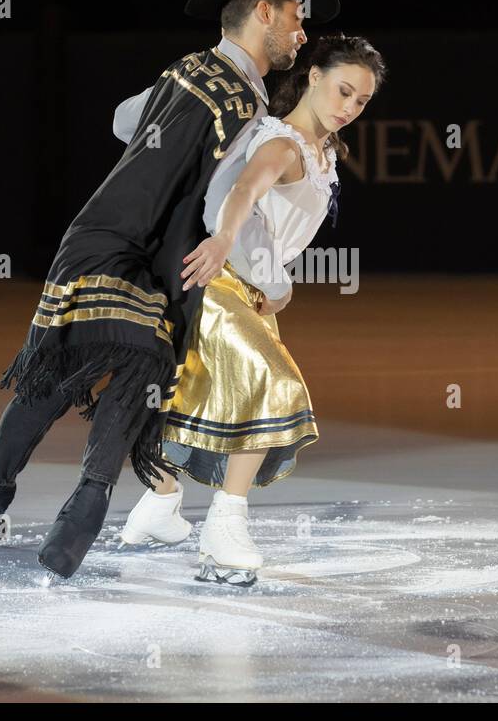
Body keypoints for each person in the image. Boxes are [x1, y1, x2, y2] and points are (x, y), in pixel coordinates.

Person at [0, 0, 340, 580]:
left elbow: (125, 119)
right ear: (265, 13)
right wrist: (274, 281)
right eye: (295, 17)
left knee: (56, 371)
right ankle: (79, 521)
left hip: (94, 234)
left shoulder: (185, 71)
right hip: (151, 252)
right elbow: (220, 205)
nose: (302, 33)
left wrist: (166, 151)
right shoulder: (248, 114)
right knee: (133, 378)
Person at [117, 34, 387, 585]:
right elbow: (240, 193)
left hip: (250, 291)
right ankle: (224, 526)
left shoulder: (321, 149)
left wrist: (270, 281)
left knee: (198, 395)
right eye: (342, 90)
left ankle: (160, 500)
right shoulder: (282, 143)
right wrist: (227, 244)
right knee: (271, 382)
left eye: (360, 101)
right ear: (313, 77)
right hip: (220, 281)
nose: (349, 108)